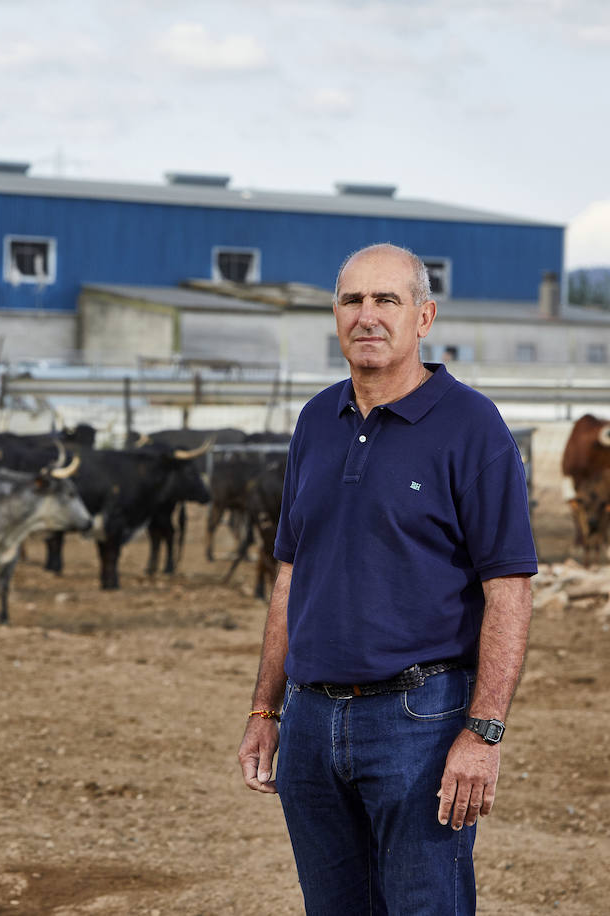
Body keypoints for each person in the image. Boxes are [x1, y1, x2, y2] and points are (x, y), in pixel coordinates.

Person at [236, 243, 536, 915]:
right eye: (352, 300)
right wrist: (265, 709)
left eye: (387, 301)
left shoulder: (471, 426)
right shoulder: (317, 420)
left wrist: (483, 734)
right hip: (311, 723)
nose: (367, 316)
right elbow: (291, 572)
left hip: (419, 722)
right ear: (335, 314)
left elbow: (509, 590)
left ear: (424, 317)